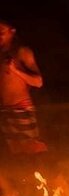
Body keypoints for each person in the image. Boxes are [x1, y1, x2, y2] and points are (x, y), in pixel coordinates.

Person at [0, 20, 47, 157]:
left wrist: (15, 70)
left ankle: (53, 175)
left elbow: (38, 81)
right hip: (4, 109)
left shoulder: (22, 52)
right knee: (17, 152)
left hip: (21, 107)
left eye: (1, 30)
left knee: (34, 149)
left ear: (12, 31)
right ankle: (25, 178)